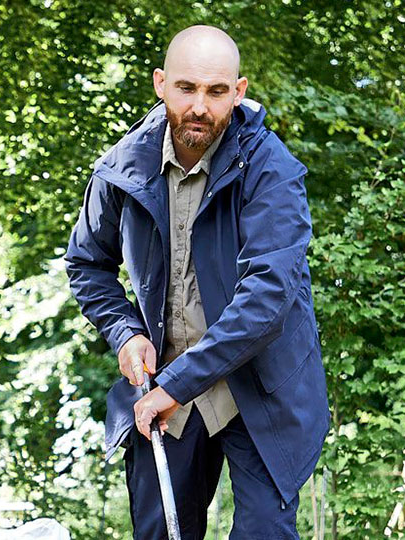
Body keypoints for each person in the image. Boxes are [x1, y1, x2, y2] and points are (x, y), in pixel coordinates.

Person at [65, 24, 330, 540]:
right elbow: (86, 263)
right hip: (166, 389)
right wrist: (125, 333)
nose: (200, 107)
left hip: (261, 387)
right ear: (161, 83)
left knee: (264, 533)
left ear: (239, 91)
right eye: (186, 88)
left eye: (216, 91)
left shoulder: (272, 169)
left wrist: (176, 384)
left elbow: (267, 301)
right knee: (161, 532)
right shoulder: (121, 167)